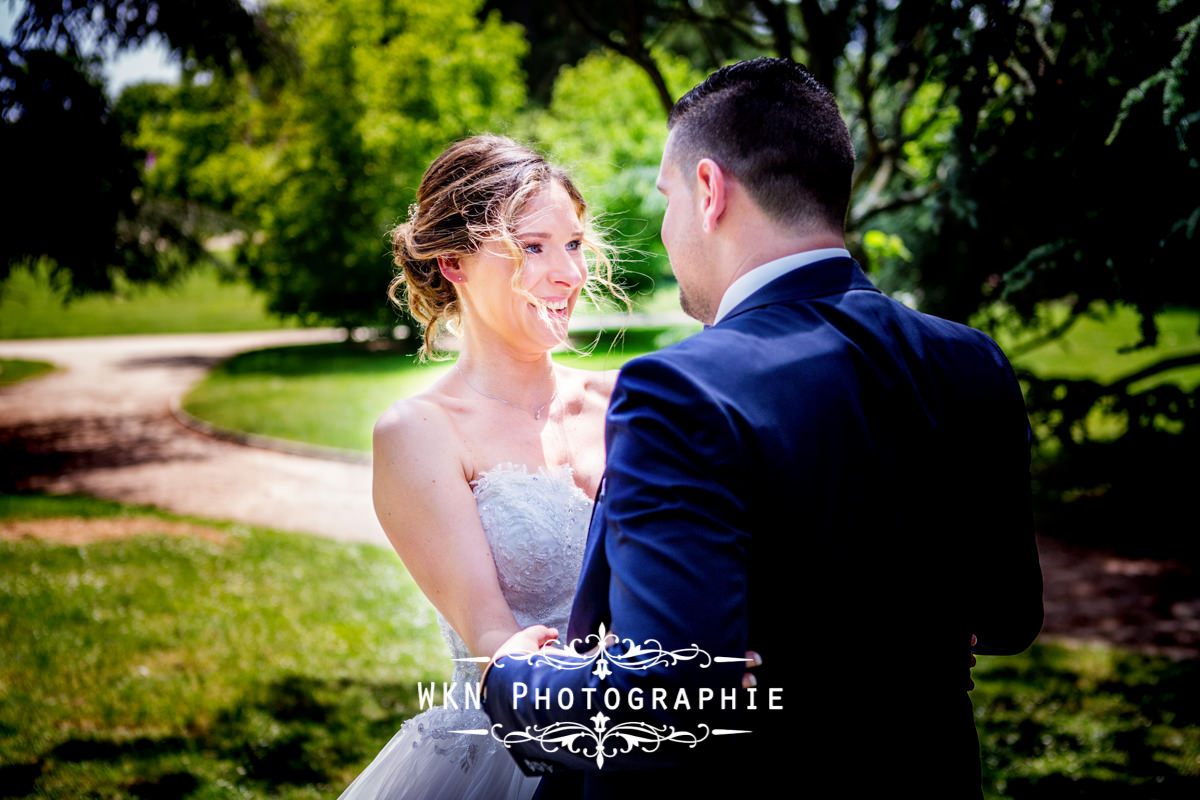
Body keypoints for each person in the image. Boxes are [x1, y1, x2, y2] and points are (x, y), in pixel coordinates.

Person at [482, 58, 1044, 798]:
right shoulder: (969, 362)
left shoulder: (681, 391)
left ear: (709, 191)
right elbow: (1007, 618)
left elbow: (666, 707)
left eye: (667, 197)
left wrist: (511, 681)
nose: (665, 225)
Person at [337, 134, 620, 799]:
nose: (569, 274)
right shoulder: (420, 434)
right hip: (510, 760)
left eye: (574, 244)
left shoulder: (622, 403)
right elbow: (493, 634)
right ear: (455, 262)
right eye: (533, 247)